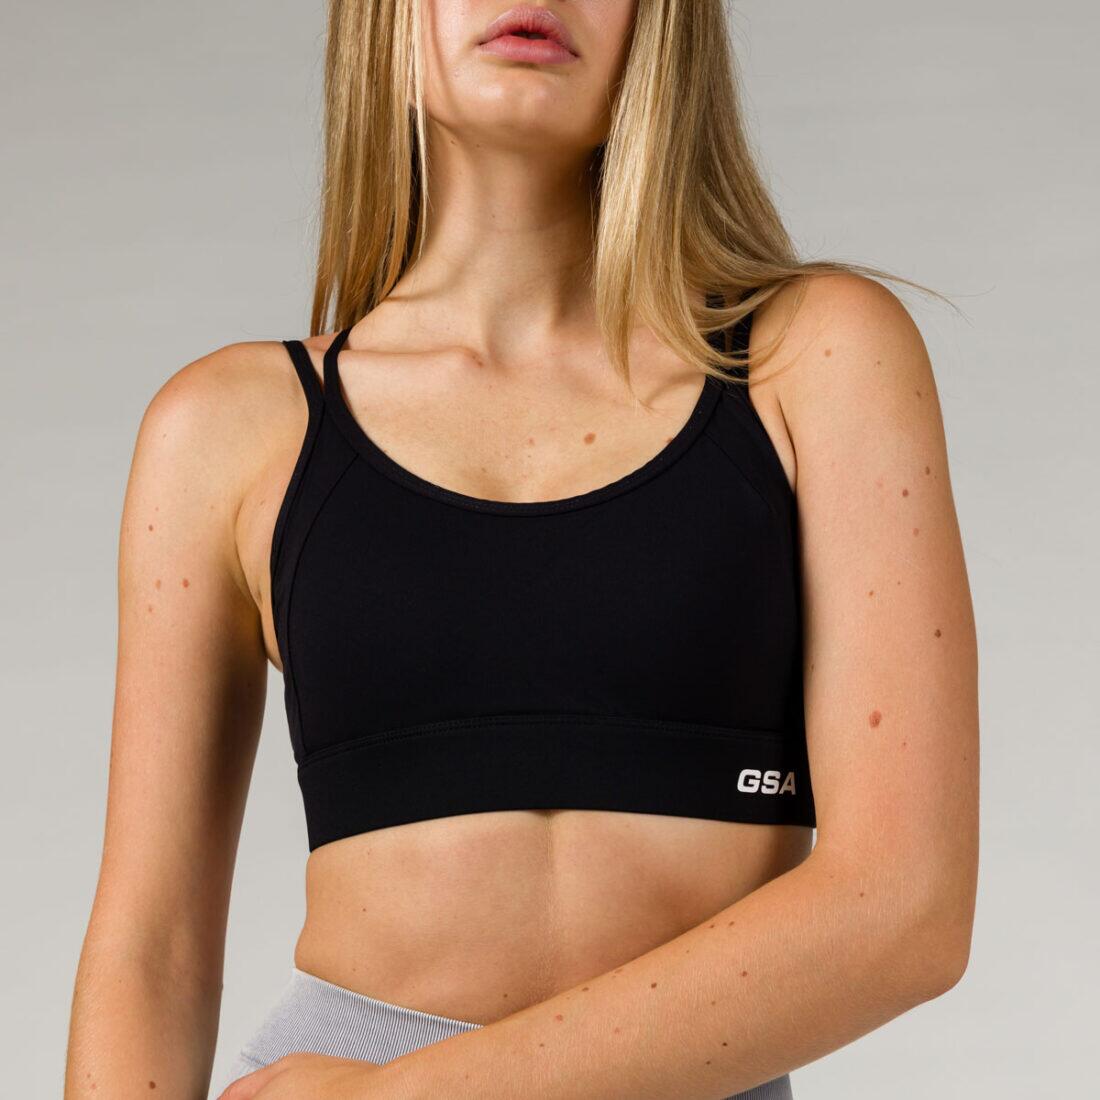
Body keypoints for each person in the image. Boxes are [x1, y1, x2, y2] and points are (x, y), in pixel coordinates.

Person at [64, 3, 979, 1098]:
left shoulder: (811, 360)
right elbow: (152, 948)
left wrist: (406, 1096)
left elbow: (906, 908)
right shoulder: (231, 428)